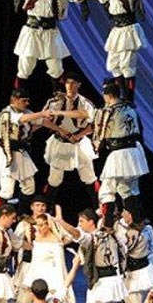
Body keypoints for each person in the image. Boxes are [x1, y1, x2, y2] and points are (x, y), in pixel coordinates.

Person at [0, 0, 86, 92]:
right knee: (25, 65)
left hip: (50, 32)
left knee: (56, 68)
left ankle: (58, 96)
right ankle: (18, 96)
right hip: (31, 31)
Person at [79, 0, 153, 102]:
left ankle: (129, 98)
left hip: (128, 30)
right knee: (113, 65)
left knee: (127, 66)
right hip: (117, 31)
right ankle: (122, 94)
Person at [0, 87, 66, 215]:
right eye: (24, 100)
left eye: (28, 100)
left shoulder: (26, 112)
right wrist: (42, 113)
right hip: (7, 152)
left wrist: (60, 130)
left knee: (29, 187)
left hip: (20, 151)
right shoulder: (6, 113)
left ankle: (21, 215)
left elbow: (42, 121)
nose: (27, 103)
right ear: (14, 100)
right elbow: (23, 119)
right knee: (7, 190)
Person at [54, 207, 126, 303]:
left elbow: (76, 234)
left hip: (101, 282)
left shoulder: (91, 238)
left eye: (82, 221)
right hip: (114, 281)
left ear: (91, 222)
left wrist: (60, 221)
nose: (80, 224)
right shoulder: (113, 235)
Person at [92, 79, 149, 225]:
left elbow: (100, 134)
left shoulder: (107, 111)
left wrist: (96, 147)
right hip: (134, 152)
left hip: (119, 153)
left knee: (107, 189)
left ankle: (107, 224)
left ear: (109, 96)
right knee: (127, 188)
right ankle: (137, 220)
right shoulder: (131, 108)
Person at [19, 210, 84, 303]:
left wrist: (60, 283)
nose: (39, 228)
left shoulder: (56, 241)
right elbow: (35, 261)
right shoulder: (36, 239)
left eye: (42, 225)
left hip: (54, 276)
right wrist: (30, 280)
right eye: (37, 225)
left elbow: (59, 264)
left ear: (48, 224)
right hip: (39, 275)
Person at [41, 71, 99, 210]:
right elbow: (43, 120)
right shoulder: (55, 101)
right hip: (60, 142)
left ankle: (100, 209)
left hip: (79, 142)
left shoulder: (85, 103)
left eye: (73, 83)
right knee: (54, 178)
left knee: (89, 177)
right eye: (67, 82)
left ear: (79, 85)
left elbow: (95, 123)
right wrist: (60, 130)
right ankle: (47, 210)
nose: (70, 86)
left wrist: (79, 135)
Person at [115, 207, 153, 303]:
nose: (122, 214)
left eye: (125, 212)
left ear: (131, 215)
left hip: (142, 274)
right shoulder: (120, 227)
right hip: (133, 274)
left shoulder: (144, 229)